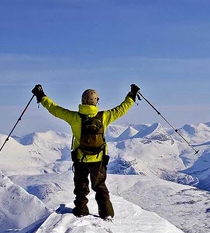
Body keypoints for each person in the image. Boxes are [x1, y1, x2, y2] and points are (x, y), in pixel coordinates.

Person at [31, 84, 140, 219]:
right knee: (100, 186)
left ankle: (81, 211)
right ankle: (107, 214)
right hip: (98, 159)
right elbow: (121, 109)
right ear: (96, 101)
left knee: (81, 188)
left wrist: (41, 96)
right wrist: (131, 95)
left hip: (80, 159)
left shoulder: (74, 117)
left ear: (82, 101)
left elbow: (54, 109)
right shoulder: (104, 116)